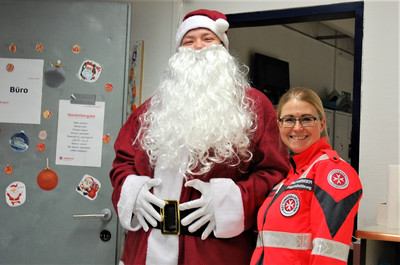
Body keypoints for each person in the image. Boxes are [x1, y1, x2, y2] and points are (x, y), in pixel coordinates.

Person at [109, 9, 289, 265]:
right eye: (189, 40)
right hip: (146, 248)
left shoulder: (254, 106)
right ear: (178, 51)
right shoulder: (150, 109)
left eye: (207, 38)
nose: (198, 47)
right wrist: (132, 191)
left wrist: (230, 201)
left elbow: (273, 173)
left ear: (222, 47)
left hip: (214, 251)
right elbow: (122, 163)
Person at [250, 87, 363, 265]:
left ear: (322, 124)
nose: (297, 127)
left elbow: (329, 254)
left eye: (306, 119)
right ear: (279, 125)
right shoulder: (287, 177)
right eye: (288, 120)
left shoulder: (331, 171)